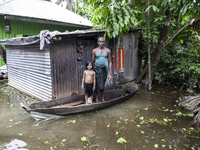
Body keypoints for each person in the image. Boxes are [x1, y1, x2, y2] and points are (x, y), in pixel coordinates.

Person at [92, 37, 112, 103]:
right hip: (97, 69)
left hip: (104, 70)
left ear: (104, 42)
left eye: (102, 41)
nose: (101, 43)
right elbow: (93, 62)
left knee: (102, 84)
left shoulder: (108, 51)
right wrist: (92, 71)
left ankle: (102, 99)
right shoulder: (94, 51)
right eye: (100, 41)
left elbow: (109, 62)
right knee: (97, 84)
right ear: (97, 42)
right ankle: (97, 99)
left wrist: (110, 74)